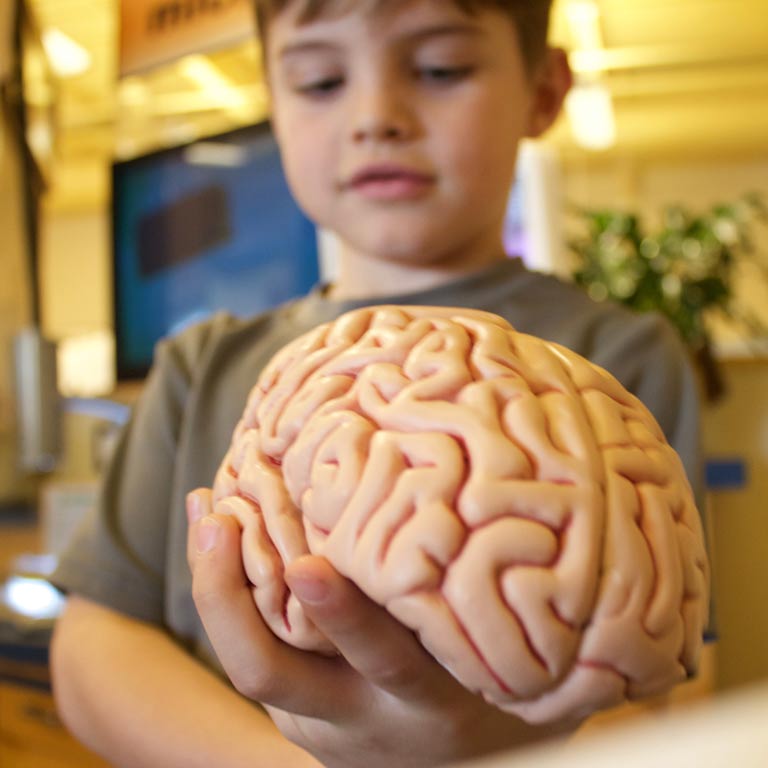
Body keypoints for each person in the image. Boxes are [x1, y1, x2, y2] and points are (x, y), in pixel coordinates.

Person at [50, 1, 703, 766]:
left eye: (439, 69)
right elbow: (94, 646)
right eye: (321, 79)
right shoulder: (201, 367)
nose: (375, 116)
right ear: (271, 97)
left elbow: (665, 684)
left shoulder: (622, 358)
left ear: (544, 91)